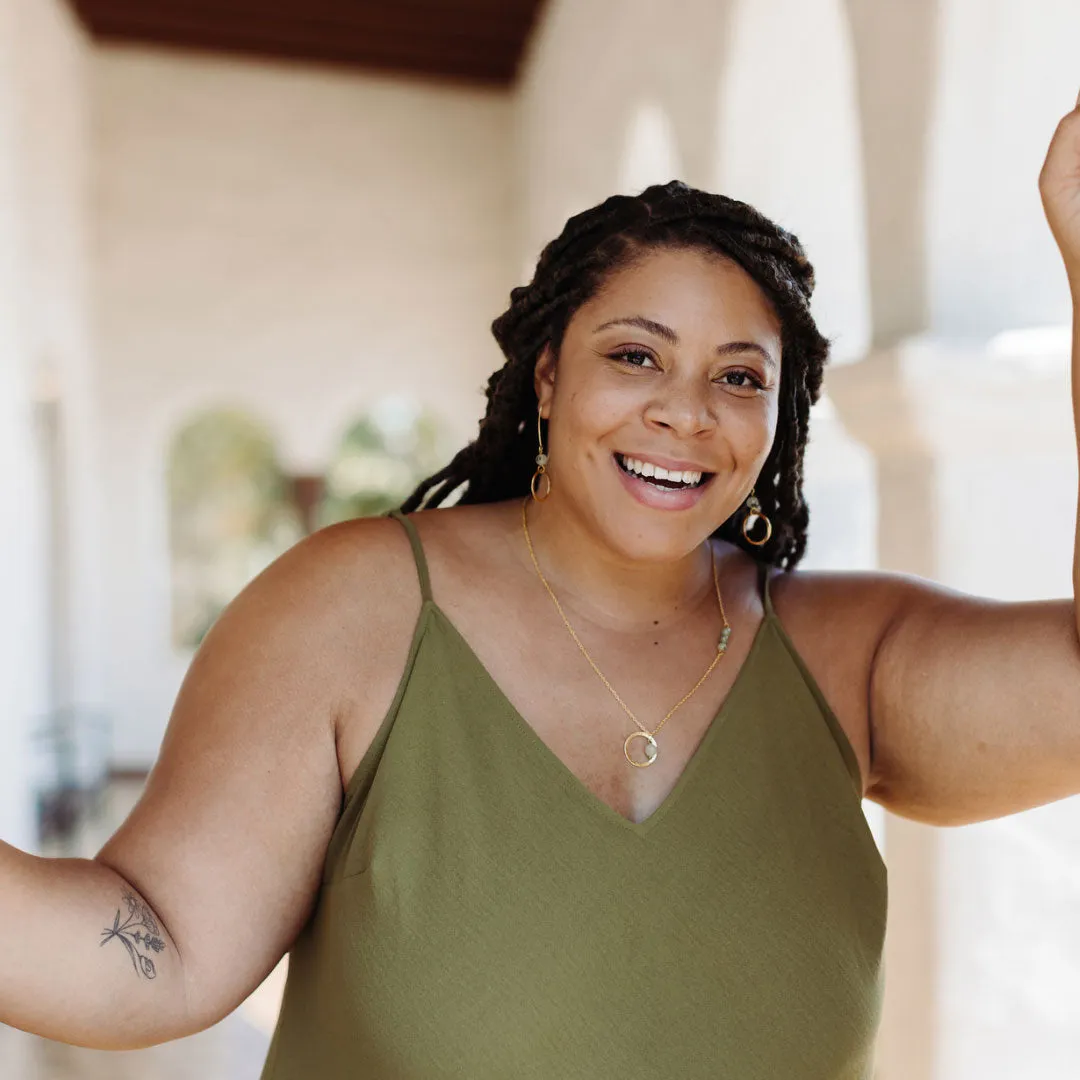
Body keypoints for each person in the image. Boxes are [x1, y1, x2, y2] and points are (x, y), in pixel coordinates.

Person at [2, 97, 1079, 1080]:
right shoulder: (360, 609)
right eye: (636, 356)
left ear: (780, 419)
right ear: (551, 374)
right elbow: (155, 949)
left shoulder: (853, 657)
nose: (686, 411)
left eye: (740, 376)